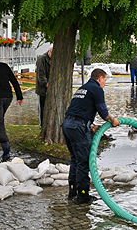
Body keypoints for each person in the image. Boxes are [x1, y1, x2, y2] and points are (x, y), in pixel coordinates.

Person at [62, 68, 120, 204]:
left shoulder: (83, 88)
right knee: (83, 161)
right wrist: (113, 121)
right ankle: (83, 196)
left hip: (67, 124)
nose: (104, 83)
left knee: (75, 159)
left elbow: (80, 109)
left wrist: (90, 126)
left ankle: (72, 192)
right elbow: (103, 112)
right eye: (105, 80)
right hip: (77, 127)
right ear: (100, 78)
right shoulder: (97, 89)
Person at [36, 46, 53, 128]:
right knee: (42, 107)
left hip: (51, 88)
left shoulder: (54, 59)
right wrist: (47, 84)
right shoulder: (42, 59)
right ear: (48, 51)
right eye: (52, 53)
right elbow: (41, 75)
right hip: (43, 89)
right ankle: (42, 124)